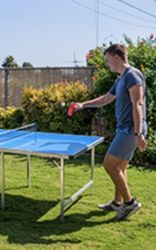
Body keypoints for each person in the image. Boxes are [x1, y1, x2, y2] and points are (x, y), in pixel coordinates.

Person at [75, 44, 147, 221]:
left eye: (108, 60)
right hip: (125, 128)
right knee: (120, 167)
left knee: (109, 165)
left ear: (116, 57)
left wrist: (138, 135)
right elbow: (106, 99)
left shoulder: (132, 75)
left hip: (131, 129)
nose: (107, 64)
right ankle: (117, 203)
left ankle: (130, 203)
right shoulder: (121, 79)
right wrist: (83, 105)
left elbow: (137, 104)